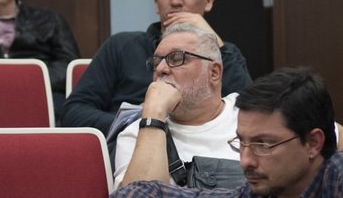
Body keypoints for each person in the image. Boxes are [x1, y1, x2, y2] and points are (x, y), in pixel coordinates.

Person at [61, 0, 252, 135]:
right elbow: (73, 112)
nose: (176, 1)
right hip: (130, 148)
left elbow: (249, 113)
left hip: (201, 154)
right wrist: (142, 123)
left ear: (208, 1)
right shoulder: (121, 46)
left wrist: (213, 41)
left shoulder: (226, 52)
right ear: (156, 2)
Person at [112, 67, 343, 198]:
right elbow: (150, 191)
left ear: (313, 143)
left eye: (263, 145)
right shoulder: (259, 192)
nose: (245, 161)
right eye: (241, 143)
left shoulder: (336, 178)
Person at [114, 23, 239, 187]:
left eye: (177, 58)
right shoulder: (136, 134)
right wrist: (154, 116)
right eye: (156, 62)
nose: (160, 69)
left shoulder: (250, 116)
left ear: (214, 73)